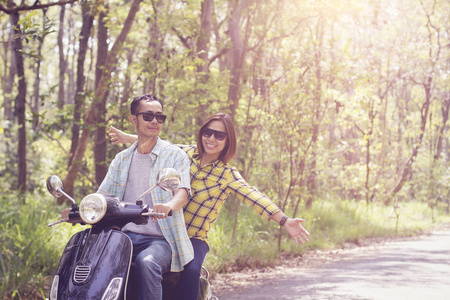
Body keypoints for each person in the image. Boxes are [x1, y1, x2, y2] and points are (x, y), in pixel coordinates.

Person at [109, 113, 310, 300]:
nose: (211, 139)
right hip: (166, 233)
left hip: (194, 238)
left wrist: (284, 220)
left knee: (191, 269)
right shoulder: (184, 154)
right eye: (208, 133)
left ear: (228, 141)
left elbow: (254, 197)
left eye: (219, 135)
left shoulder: (227, 174)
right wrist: (126, 137)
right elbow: (157, 145)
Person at [98, 93, 194, 300]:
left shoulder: (175, 155)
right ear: (134, 119)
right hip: (123, 237)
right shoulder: (121, 159)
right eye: (148, 116)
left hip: (161, 240)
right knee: (93, 259)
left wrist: (169, 205)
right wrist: (83, 208)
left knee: (147, 262)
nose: (155, 121)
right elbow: (103, 195)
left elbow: (182, 194)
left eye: (160, 117)